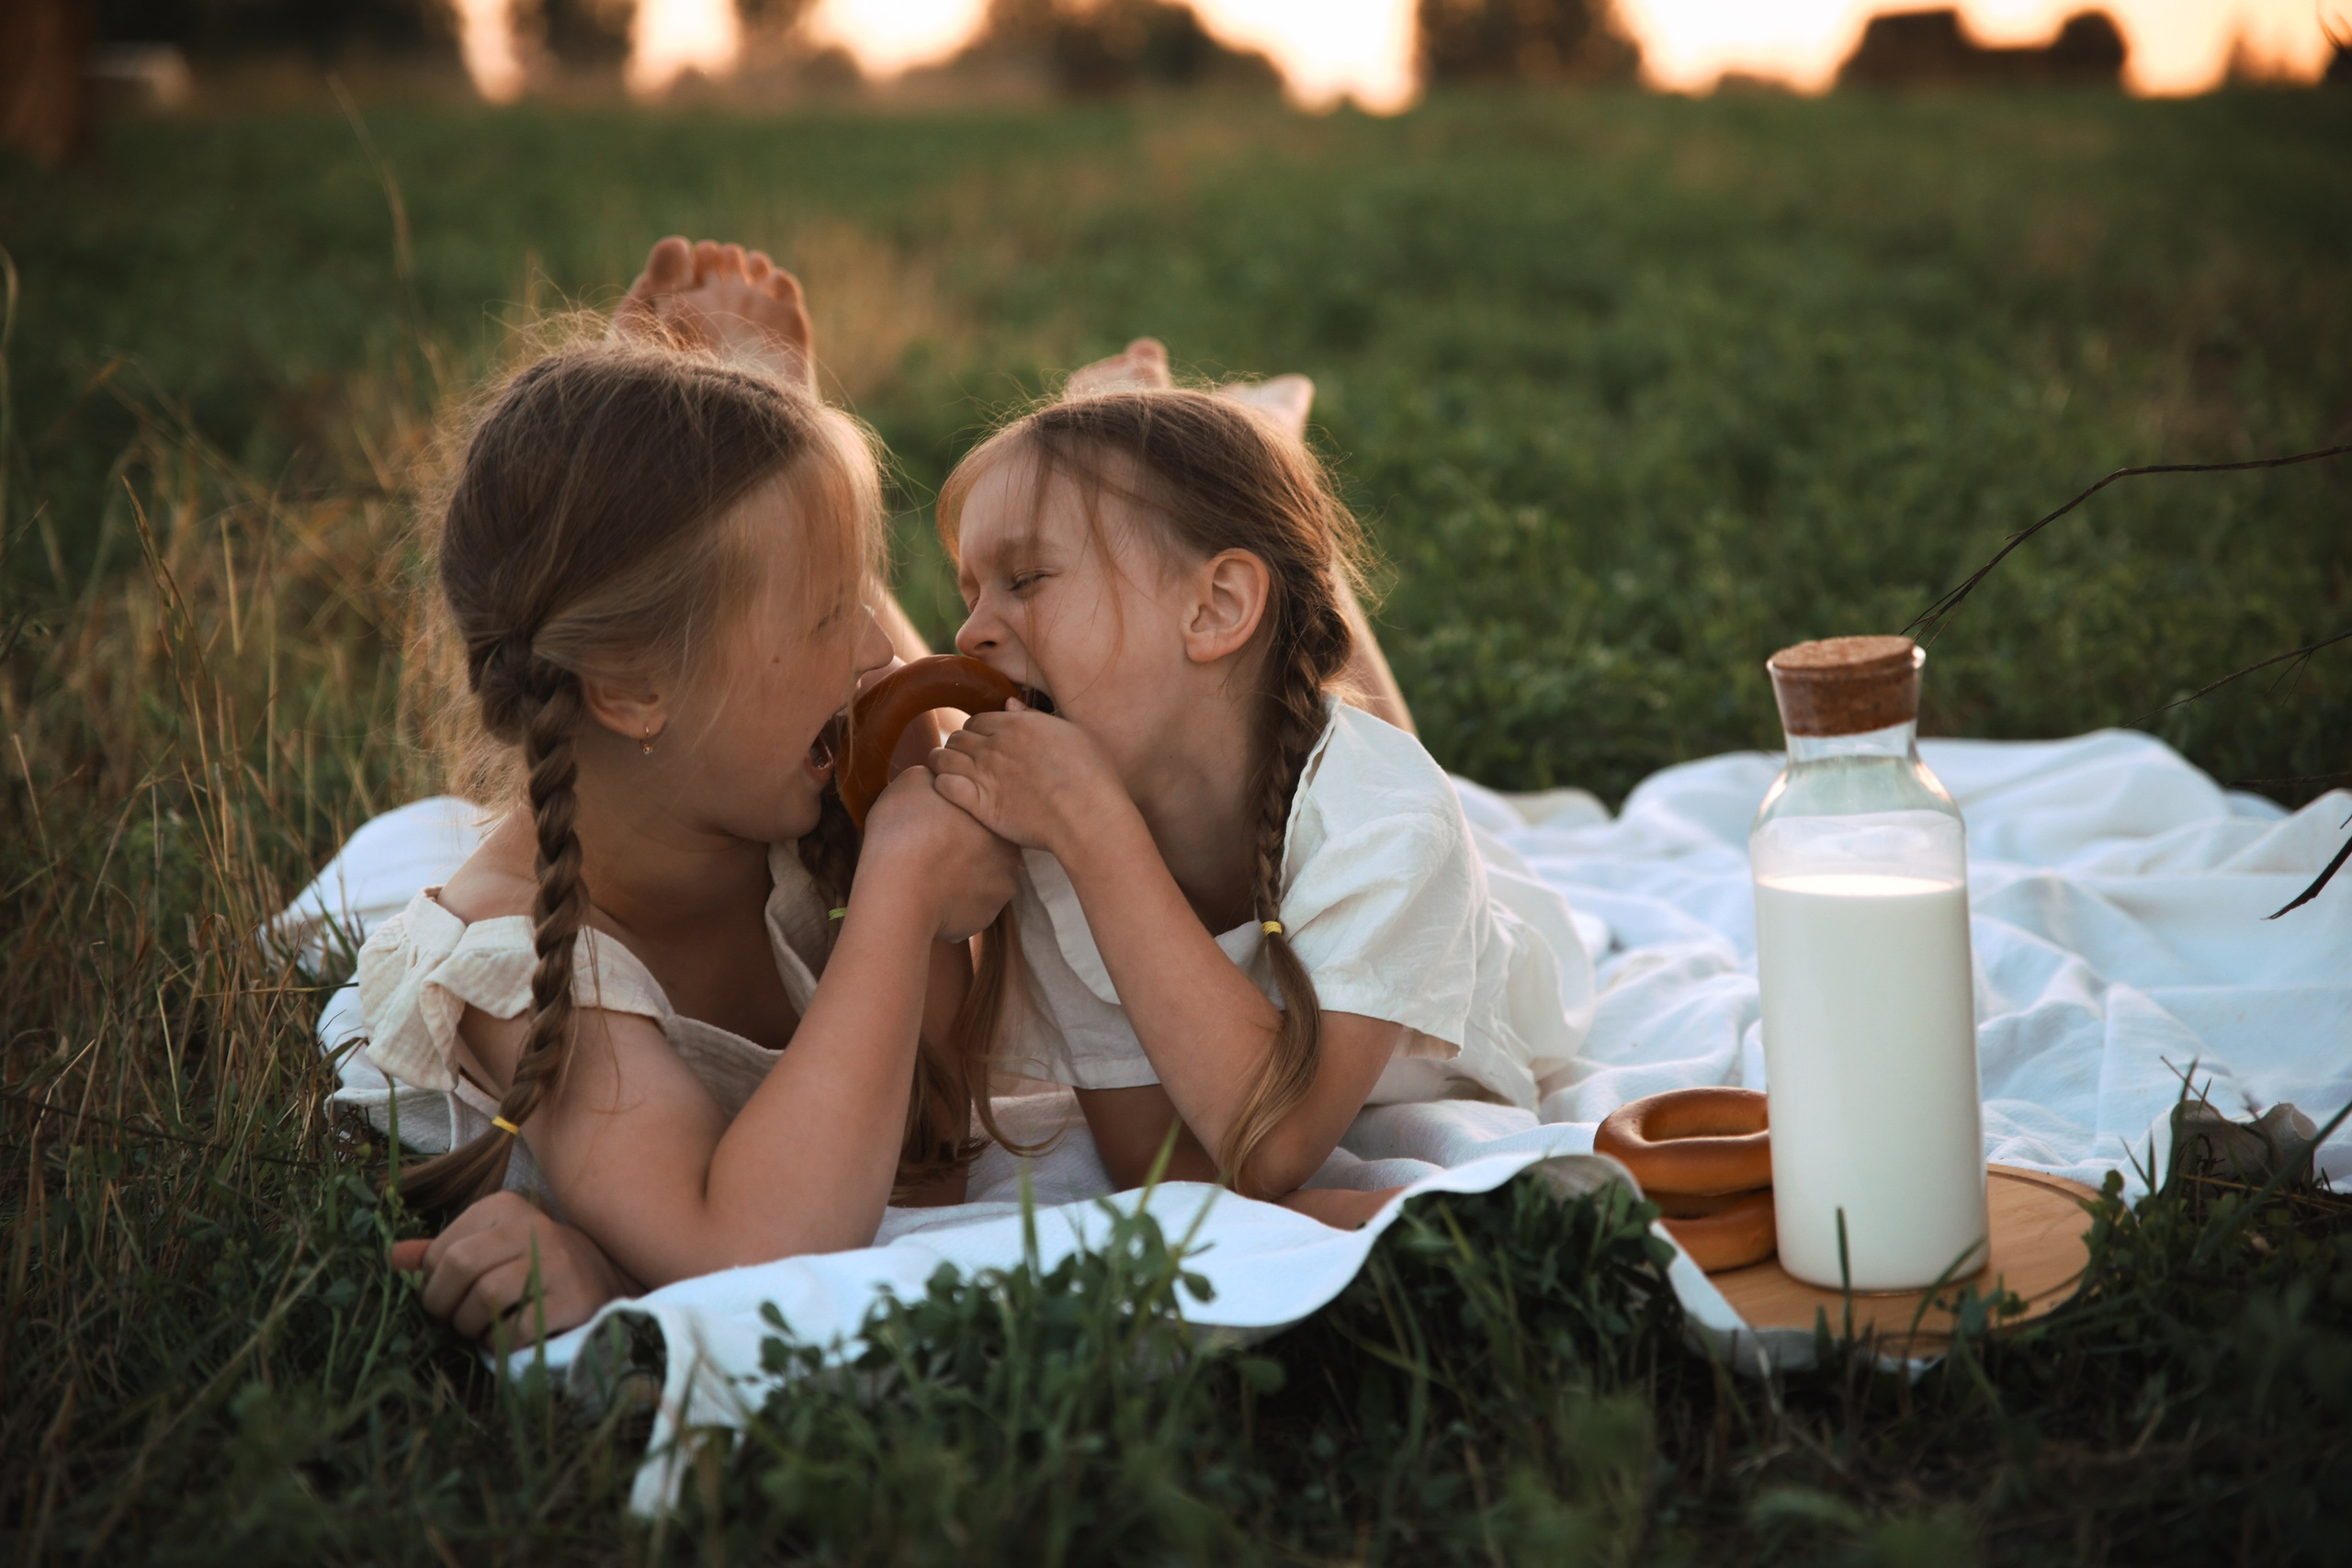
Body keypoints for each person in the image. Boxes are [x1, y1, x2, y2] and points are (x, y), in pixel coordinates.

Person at [371, 237, 1014, 1342]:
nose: (872, 655)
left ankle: (739, 470)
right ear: (629, 687)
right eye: (828, 615)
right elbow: (749, 1251)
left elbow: (942, 1106)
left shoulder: (770, 781)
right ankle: (733, 499)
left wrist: (908, 805)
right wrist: (900, 893)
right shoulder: (526, 962)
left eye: (854, 596)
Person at [927, 373, 1593, 1222]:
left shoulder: (1387, 823)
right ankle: (1247, 431)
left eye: (1024, 579)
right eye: (970, 591)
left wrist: (1099, 836)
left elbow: (1271, 1145)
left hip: (1483, 935)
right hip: (1301, 800)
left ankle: (1271, 438)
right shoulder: (1056, 845)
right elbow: (1152, 1158)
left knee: (1401, 772)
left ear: (1214, 607)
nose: (969, 632)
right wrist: (1084, 836)